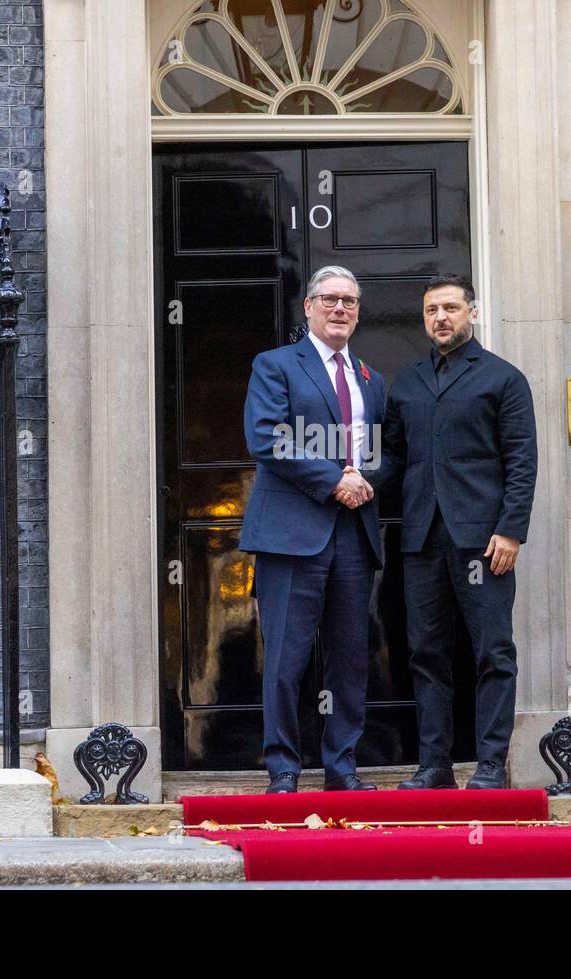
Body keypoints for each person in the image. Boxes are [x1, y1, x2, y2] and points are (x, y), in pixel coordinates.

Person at [373, 273, 538, 790]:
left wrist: (511, 530)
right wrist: (354, 480)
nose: (440, 318)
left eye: (450, 308)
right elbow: (394, 457)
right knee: (426, 654)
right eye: (431, 311)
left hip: (484, 542)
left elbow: (521, 460)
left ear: (472, 312)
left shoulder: (503, 378)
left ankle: (490, 766)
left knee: (492, 652)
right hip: (420, 539)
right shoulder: (407, 382)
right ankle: (434, 766)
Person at [239, 266, 385, 793]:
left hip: (354, 534)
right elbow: (268, 437)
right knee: (285, 658)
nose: (339, 308)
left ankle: (342, 768)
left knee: (349, 659)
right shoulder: (276, 365)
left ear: (358, 311)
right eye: (329, 299)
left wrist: (364, 479)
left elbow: (383, 449)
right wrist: (334, 480)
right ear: (308, 307)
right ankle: (282, 769)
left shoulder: (371, 377)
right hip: (290, 532)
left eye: (348, 300)